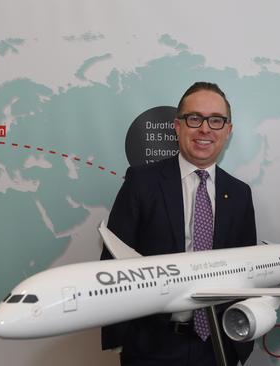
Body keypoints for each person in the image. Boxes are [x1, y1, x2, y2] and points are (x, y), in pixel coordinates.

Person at [101, 82, 257, 366]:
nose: (205, 129)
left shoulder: (239, 194)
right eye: (194, 118)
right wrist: (119, 340)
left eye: (216, 120)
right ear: (177, 126)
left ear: (228, 131)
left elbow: (248, 272)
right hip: (152, 347)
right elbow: (111, 264)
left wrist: (241, 345)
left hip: (217, 347)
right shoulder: (141, 183)